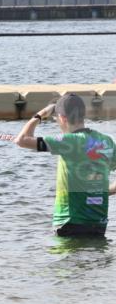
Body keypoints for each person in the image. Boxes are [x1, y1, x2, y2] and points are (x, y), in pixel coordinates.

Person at [14, 93, 116, 238]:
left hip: (69, 222)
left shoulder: (67, 141)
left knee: (64, 253)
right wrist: (103, 192)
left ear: (62, 118)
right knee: (95, 253)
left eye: (56, 119)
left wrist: (40, 115)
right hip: (98, 223)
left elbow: (22, 140)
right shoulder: (106, 141)